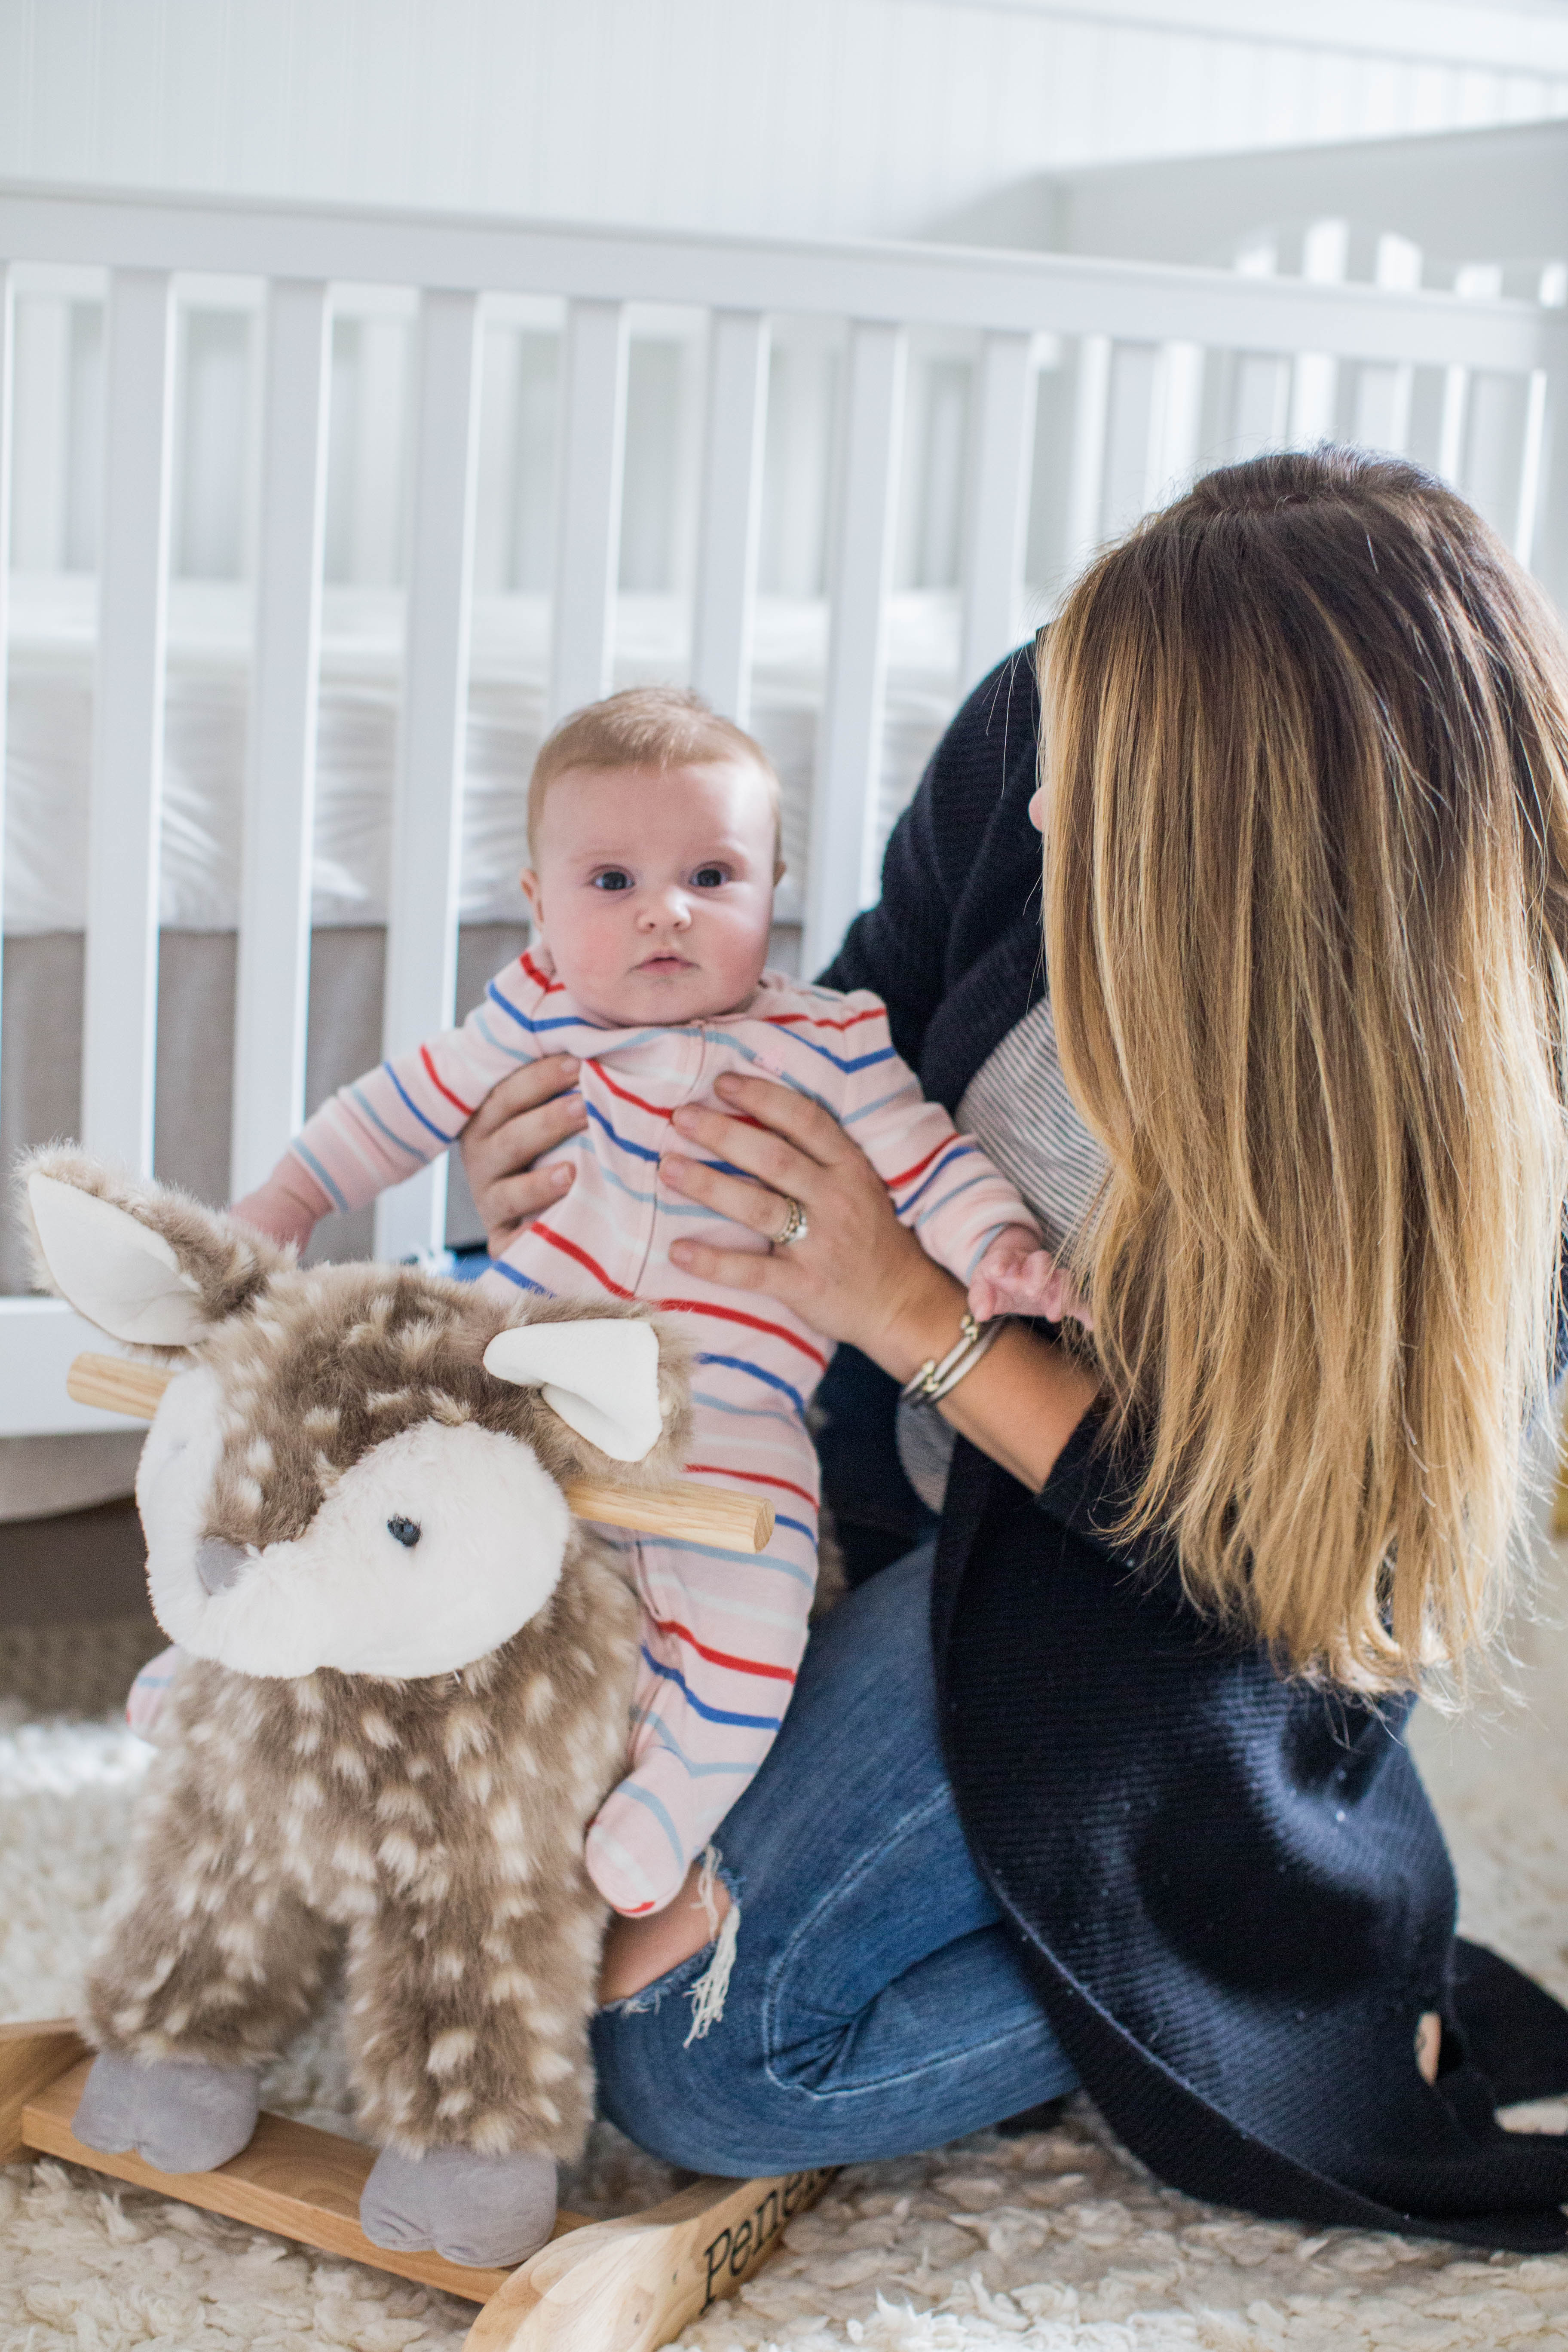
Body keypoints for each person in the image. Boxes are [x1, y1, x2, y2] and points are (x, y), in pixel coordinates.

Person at [460, 451, 1568, 2251]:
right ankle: (1194, 1906)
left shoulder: (1502, 1084)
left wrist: (918, 1314)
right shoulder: (1040, 729)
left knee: (693, 2061)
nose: (1040, 806)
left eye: (1105, 779)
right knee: (479, 1855)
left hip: (1171, 1606)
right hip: (888, 1516)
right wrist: (566, 1155)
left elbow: (1304, 1574)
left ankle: (1298, 1947)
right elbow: (803, 1045)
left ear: (1272, 845)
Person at [223, 687, 1072, 1926]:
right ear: (540, 905)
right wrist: (290, 1199)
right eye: (612, 880)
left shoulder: (828, 1040)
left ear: (773, 890)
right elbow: (390, 1109)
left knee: (754, 1612)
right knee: (364, 1492)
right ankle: (235, 1665)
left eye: (712, 876)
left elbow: (928, 1161)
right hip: (510, 1385)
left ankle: (659, 1816)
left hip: (732, 1411)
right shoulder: (527, 1016)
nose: (665, 910)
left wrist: (994, 1251)